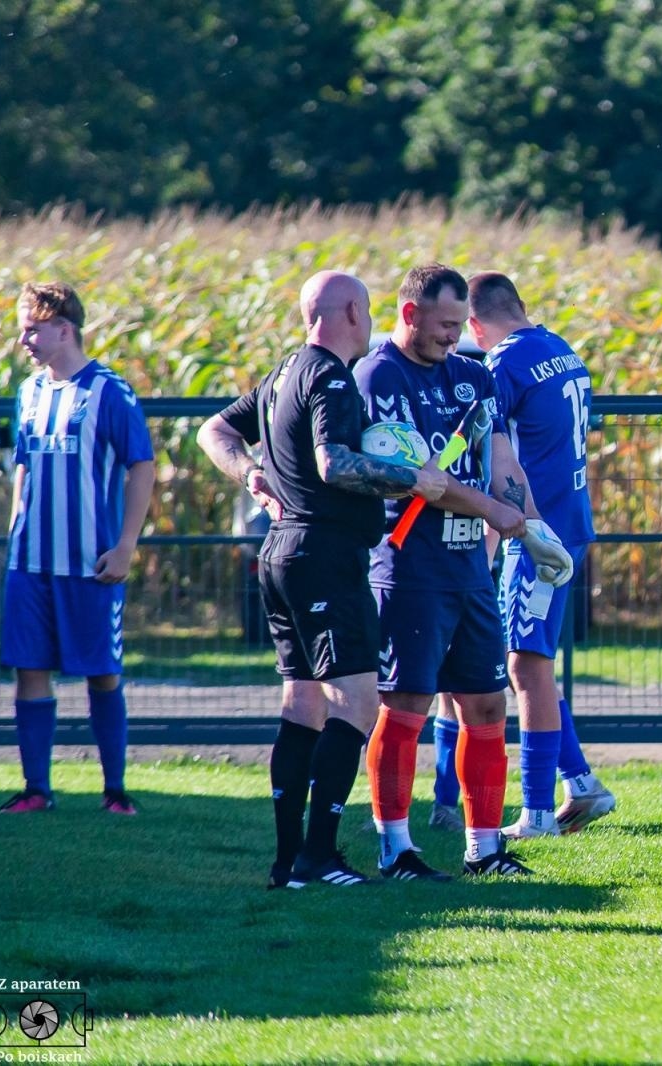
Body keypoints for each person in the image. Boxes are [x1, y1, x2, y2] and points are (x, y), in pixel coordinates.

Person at [199, 270, 461, 889]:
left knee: (305, 702)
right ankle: (319, 856)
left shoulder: (285, 369)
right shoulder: (331, 376)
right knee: (358, 702)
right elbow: (333, 462)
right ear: (349, 311)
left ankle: (287, 863)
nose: (370, 326)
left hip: (282, 554)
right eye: (367, 313)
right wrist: (409, 478)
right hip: (325, 556)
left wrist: (248, 475)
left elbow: (215, 429)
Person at [352, 264, 539, 880]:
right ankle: (396, 848)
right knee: (406, 703)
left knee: (487, 706)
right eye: (444, 325)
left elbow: (499, 455)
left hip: (469, 569)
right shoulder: (380, 374)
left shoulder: (472, 376)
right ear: (409, 315)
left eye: (461, 325)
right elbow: (425, 481)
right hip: (409, 567)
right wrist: (491, 508)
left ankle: (485, 848)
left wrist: (533, 523)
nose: (454, 336)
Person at [460, 270, 616, 840]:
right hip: (566, 521)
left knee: (526, 666)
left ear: (475, 325)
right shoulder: (560, 348)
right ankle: (580, 784)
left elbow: (491, 449)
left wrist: (491, 536)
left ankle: (538, 813)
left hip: (535, 530)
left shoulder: (502, 364)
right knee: (531, 662)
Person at [0, 282, 155, 816]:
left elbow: (141, 465)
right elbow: (23, 463)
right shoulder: (28, 391)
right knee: (29, 669)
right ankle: (36, 789)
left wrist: (126, 545)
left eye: (32, 328)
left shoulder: (109, 391)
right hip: (30, 562)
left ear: (64, 328)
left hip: (89, 564)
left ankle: (115, 791)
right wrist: (18, 523)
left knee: (101, 670)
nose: (24, 339)